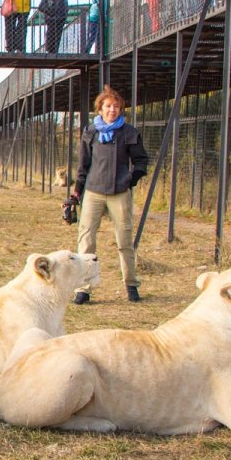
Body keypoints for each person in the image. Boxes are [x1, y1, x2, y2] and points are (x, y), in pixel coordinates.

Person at [71, 86, 149, 305]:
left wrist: (130, 179)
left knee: (124, 240)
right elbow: (83, 164)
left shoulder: (129, 132)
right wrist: (77, 191)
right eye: (108, 106)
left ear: (121, 109)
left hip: (119, 193)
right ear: (100, 108)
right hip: (93, 191)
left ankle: (131, 285)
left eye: (116, 106)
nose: (112, 110)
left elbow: (141, 160)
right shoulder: (91, 132)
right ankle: (84, 289)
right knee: (86, 240)